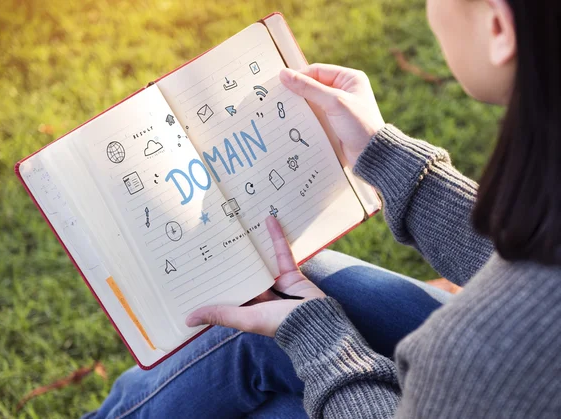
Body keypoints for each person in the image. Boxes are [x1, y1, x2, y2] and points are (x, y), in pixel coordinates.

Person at [86, 0, 560, 417]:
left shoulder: (481, 348)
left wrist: (321, 340)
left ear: (498, 27)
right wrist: (386, 156)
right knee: (301, 287)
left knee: (265, 348)